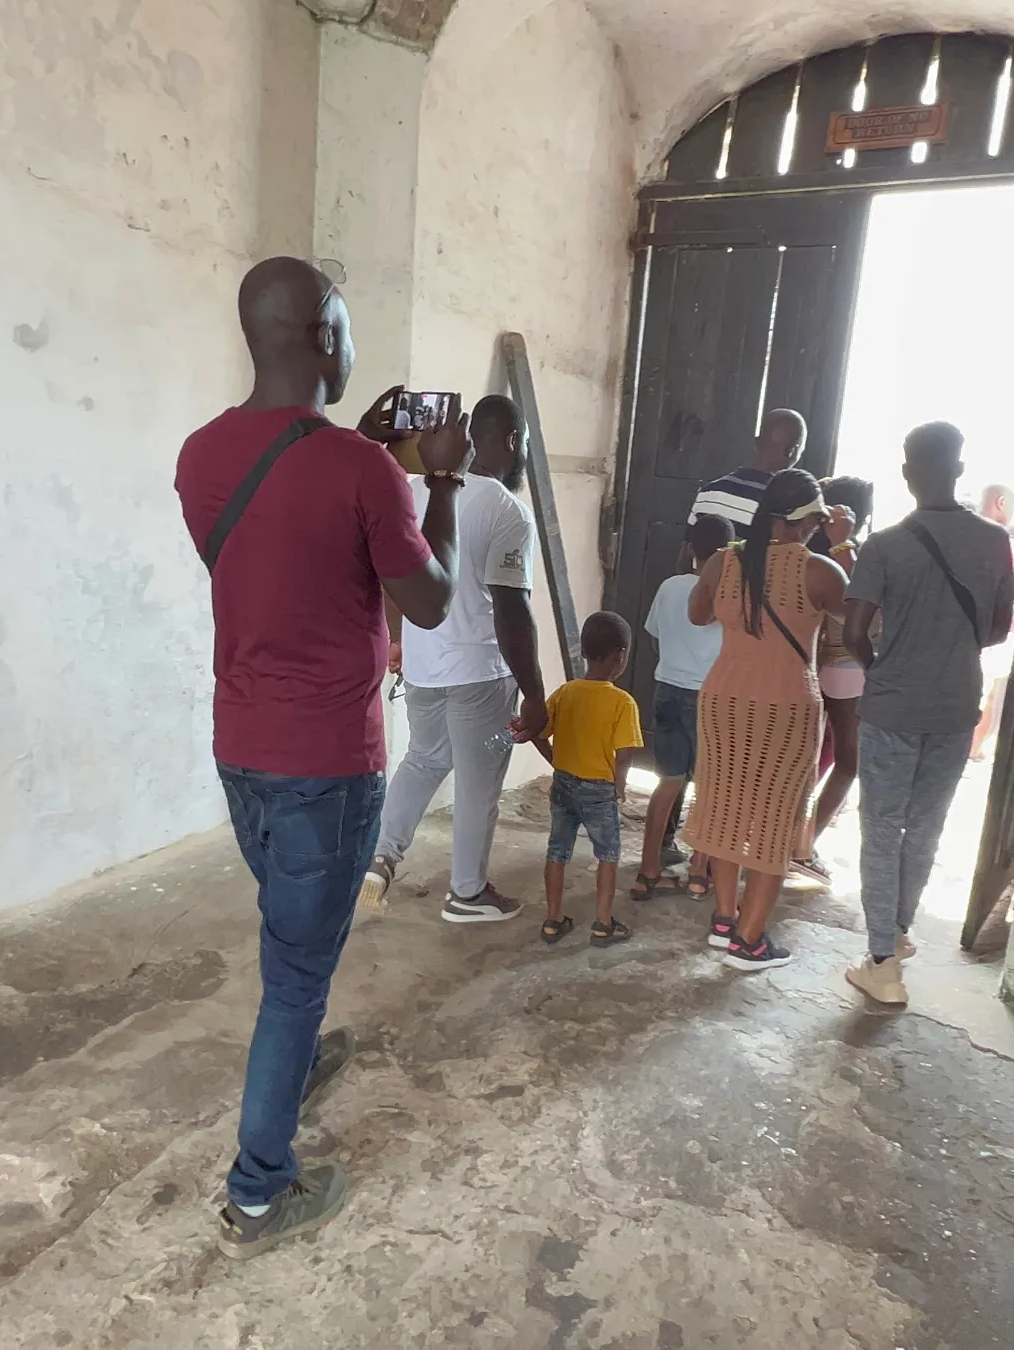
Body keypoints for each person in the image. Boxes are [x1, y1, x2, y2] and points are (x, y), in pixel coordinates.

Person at [175, 257, 468, 1258]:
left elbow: (278, 549)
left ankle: (290, 1065)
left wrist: (367, 454)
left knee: (290, 941)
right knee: (297, 973)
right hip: (329, 766)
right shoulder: (365, 471)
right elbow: (429, 601)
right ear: (326, 342)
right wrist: (438, 477)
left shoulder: (201, 454)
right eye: (342, 327)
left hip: (241, 750)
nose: (349, 344)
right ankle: (260, 1193)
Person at [841, 424, 1014, 1009]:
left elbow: (852, 631)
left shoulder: (885, 545)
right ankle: (896, 932)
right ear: (960, 469)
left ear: (908, 472)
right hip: (955, 704)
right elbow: (996, 626)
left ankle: (883, 963)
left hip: (893, 704)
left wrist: (886, 666)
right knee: (925, 825)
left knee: (881, 829)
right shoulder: (994, 541)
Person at [362, 394, 546, 923]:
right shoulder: (508, 511)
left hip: (422, 665)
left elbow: (391, 582)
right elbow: (512, 610)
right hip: (480, 674)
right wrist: (533, 693)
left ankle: (380, 857)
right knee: (478, 783)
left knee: (423, 759)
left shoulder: (414, 490)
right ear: (512, 441)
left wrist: (397, 640)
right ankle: (467, 893)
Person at [681, 470, 848, 971]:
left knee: (726, 809)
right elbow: (866, 625)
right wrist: (843, 547)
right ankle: (750, 943)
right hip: (787, 707)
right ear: (811, 519)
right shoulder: (821, 571)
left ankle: (726, 919)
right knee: (774, 822)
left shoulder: (724, 561)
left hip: (724, 699)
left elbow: (696, 615)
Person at [629, 514, 729, 903]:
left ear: (689, 548)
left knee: (668, 781)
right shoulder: (725, 593)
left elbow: (654, 638)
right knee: (709, 787)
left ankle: (647, 871)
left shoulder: (669, 586)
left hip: (666, 688)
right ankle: (699, 872)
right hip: (707, 698)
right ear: (726, 554)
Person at [528, 612, 642, 946]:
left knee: (557, 849)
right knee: (607, 853)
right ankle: (603, 924)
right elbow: (625, 754)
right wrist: (619, 786)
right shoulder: (622, 702)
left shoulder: (566, 693)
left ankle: (552, 920)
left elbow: (537, 731)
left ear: (583, 651)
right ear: (620, 657)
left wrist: (555, 761)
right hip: (599, 790)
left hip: (563, 784)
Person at [808, 475, 875, 844]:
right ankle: (803, 843)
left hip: (810, 663)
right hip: (845, 666)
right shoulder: (847, 555)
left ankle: (789, 836)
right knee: (849, 762)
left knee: (809, 755)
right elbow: (860, 607)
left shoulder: (807, 553)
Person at [689, 408, 806, 541]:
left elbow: (686, 554)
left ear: (756, 442)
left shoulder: (708, 492)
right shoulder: (784, 509)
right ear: (792, 451)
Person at [970, 483, 1014, 760]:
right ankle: (973, 749)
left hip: (961, 637)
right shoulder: (999, 540)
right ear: (1001, 502)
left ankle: (970, 748)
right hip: (985, 637)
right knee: (985, 695)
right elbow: (1009, 596)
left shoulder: (960, 536)